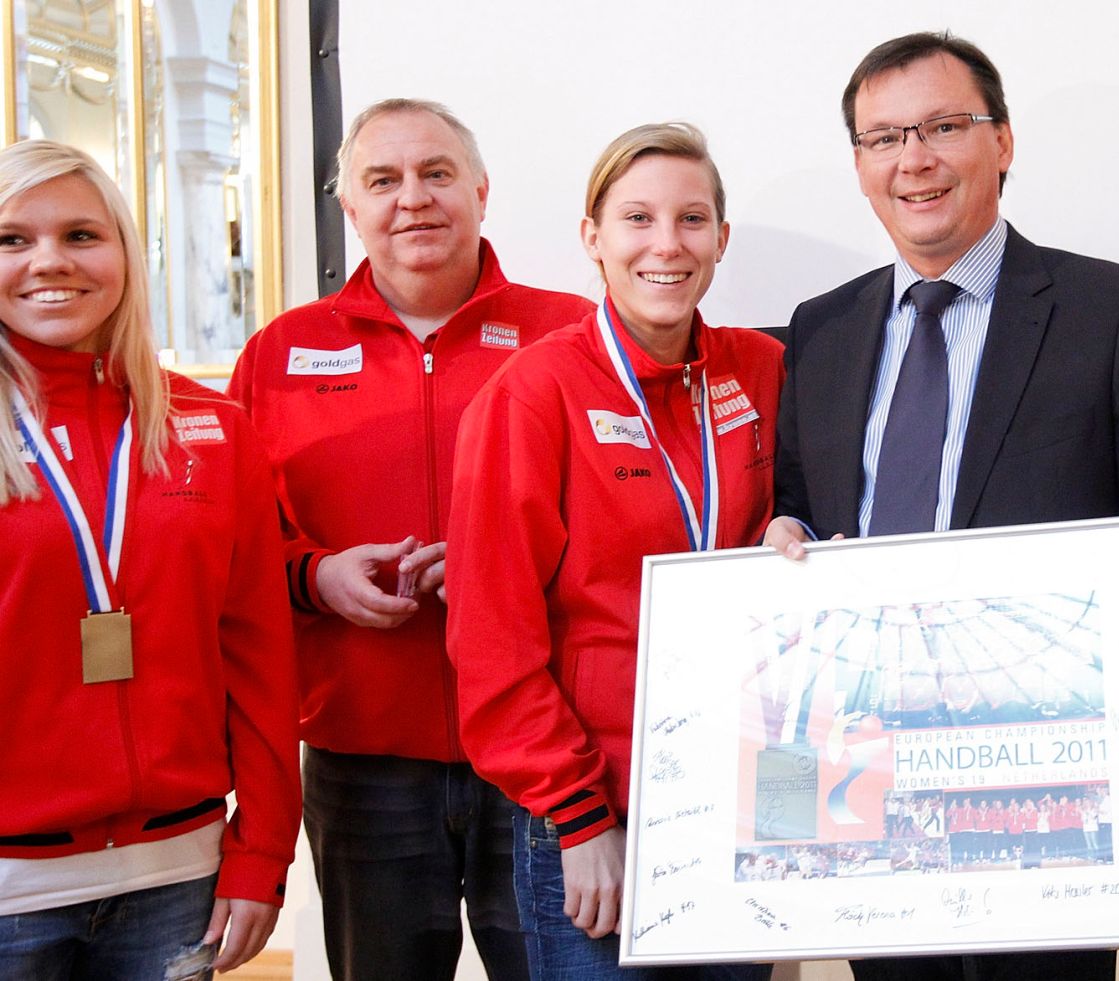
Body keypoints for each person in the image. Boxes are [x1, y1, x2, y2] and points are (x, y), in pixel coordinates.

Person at [763, 31, 1119, 981]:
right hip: (870, 797)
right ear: (858, 164)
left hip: (1047, 795)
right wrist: (786, 535)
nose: (912, 159)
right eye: (883, 138)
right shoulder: (821, 330)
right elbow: (801, 512)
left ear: (1003, 142)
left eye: (943, 127)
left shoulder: (1110, 310)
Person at [228, 98, 593, 981]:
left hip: (544, 754)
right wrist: (318, 577)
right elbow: (236, 560)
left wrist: (499, 574)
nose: (414, 199)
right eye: (382, 180)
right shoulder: (279, 355)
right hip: (363, 760)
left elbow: (627, 525)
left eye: (436, 174)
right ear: (347, 205)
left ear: (480, 189)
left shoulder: (572, 335)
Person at [447, 121, 781, 980]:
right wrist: (578, 818)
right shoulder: (532, 394)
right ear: (593, 238)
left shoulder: (765, 370)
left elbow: (818, 518)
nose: (666, 245)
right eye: (637, 219)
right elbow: (493, 638)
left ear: (721, 239)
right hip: (604, 814)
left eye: (691, 219)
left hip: (744, 805)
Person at [0, 140, 299, 977]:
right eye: (12, 239)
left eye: (81, 235)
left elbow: (259, 657)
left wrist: (265, 847)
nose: (49, 262)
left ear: (127, 254)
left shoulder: (212, 430)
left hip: (176, 877)